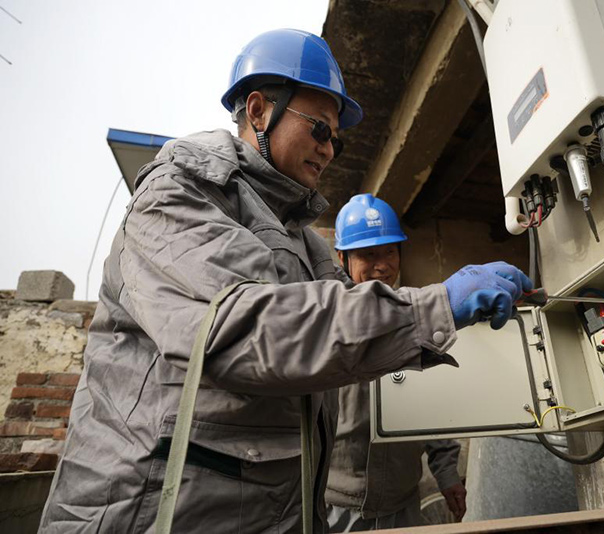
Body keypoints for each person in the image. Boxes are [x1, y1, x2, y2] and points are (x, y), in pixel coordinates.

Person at [39, 29, 530, 533]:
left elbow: (347, 322)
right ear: (258, 111)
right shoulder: (180, 195)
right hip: (151, 515)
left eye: (335, 138)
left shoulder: (305, 244)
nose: (329, 149)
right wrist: (438, 304)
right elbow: (244, 329)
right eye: (319, 129)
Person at [325, 194, 467, 531]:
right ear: (343, 258)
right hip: (336, 505)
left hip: (403, 501)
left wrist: (447, 472)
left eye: (389, 251)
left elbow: (431, 405)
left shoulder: (416, 319)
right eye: (368, 255)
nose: (382, 265)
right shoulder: (327, 322)